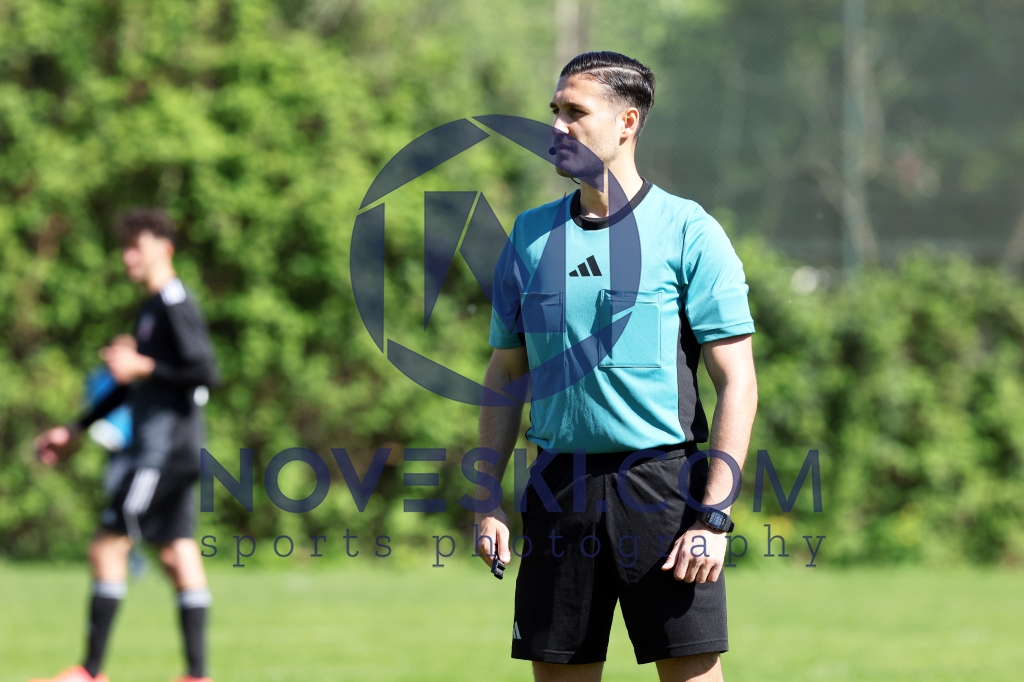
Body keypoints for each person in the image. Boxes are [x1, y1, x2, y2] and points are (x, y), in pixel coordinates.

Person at [475, 52, 759, 682]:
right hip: (559, 488)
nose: (557, 127)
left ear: (628, 122)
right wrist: (486, 498)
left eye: (575, 112)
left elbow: (737, 381)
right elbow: (504, 376)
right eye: (555, 111)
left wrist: (713, 516)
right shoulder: (529, 236)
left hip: (664, 490)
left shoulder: (688, 231)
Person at [31, 209, 220, 682]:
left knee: (107, 546)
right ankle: (197, 676)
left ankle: (90, 672)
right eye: (126, 248)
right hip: (176, 453)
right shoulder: (152, 307)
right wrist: (75, 428)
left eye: (137, 247)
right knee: (177, 554)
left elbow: (206, 371)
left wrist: (145, 367)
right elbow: (130, 386)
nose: (128, 257)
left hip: (162, 454)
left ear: (165, 249)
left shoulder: (175, 302)